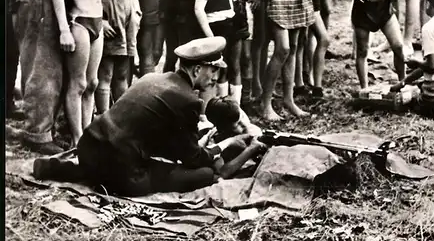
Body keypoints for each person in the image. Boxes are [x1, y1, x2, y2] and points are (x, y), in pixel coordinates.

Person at [33, 37, 266, 196]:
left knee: (109, 165)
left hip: (90, 149)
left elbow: (162, 139)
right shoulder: (188, 100)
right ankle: (101, 177)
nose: (215, 79)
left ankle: (55, 169)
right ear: (197, 70)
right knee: (204, 175)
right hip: (123, 170)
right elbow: (193, 159)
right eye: (214, 71)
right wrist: (226, 143)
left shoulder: (152, 78)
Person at [6, 0, 71, 154]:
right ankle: (38, 133)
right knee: (42, 69)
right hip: (36, 0)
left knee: (47, 67)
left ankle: (43, 128)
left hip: (38, 0)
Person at [52, 0, 110, 146]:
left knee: (93, 83)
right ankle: (77, 140)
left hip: (97, 20)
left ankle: (88, 136)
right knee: (79, 84)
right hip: (80, 21)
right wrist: (64, 30)